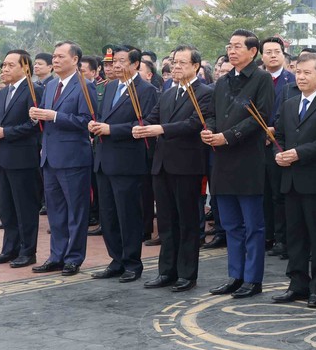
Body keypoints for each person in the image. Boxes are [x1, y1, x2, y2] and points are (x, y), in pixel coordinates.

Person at [202, 29, 274, 299]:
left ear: (252, 51)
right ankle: (236, 275)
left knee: (252, 225)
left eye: (237, 47)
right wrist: (208, 131)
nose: (231, 51)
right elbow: (210, 114)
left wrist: (228, 137)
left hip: (248, 160)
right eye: (229, 46)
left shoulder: (262, 78)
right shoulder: (222, 82)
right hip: (222, 160)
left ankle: (253, 279)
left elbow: (260, 117)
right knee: (231, 224)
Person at [134, 45, 212, 292]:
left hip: (187, 165)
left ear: (196, 66)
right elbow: (152, 118)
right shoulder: (167, 92)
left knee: (187, 222)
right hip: (162, 165)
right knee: (166, 222)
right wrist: (138, 127)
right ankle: (166, 271)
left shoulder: (205, 93)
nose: (175, 67)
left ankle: (187, 274)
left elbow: (195, 124)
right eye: (173, 63)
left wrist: (161, 129)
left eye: (181, 63)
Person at [272, 52, 316, 308]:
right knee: (295, 235)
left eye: (307, 72)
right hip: (290, 180)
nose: (300, 77)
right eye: (298, 72)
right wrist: (278, 155)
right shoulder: (289, 103)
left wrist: (298, 154)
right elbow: (278, 136)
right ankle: (297, 283)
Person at [87, 46, 158, 283]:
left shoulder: (146, 90)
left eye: (121, 61)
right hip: (104, 161)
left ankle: (132, 263)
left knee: (127, 214)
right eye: (113, 61)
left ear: (135, 64)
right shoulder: (109, 88)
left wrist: (112, 130)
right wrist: (95, 125)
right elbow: (102, 118)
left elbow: (146, 123)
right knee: (108, 215)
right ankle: (115, 260)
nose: (116, 66)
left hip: (128, 162)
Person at [30, 41, 97, 276]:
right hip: (50, 157)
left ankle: (73, 257)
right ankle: (56, 256)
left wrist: (55, 115)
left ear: (75, 60)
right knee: (55, 212)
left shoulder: (84, 86)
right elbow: (48, 120)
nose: (55, 60)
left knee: (76, 212)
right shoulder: (50, 86)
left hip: (73, 158)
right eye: (54, 57)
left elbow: (87, 121)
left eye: (60, 56)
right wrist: (38, 116)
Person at [0, 50, 43, 267]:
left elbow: (34, 126)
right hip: (3, 157)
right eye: (3, 65)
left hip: (24, 158)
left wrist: (4, 133)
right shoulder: (3, 93)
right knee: (7, 207)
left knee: (25, 207)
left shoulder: (34, 91)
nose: (4, 69)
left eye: (9, 65)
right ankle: (9, 249)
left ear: (25, 68)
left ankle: (28, 251)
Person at [262, 36, 296, 261]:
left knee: (279, 194)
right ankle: (267, 236)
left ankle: (284, 239)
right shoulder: (256, 79)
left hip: (279, 143)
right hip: (256, 142)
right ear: (261, 55)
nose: (273, 55)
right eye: (268, 52)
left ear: (284, 54)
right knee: (262, 193)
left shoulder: (292, 81)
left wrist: (274, 129)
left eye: (277, 51)